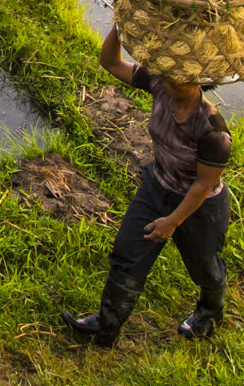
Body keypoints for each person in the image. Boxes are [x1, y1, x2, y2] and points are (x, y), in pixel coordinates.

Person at [64, 26, 232, 346]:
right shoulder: (159, 84)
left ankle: (209, 313)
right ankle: (106, 327)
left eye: (178, 75)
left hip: (199, 206)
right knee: (127, 254)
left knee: (204, 266)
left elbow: (201, 185)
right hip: (157, 186)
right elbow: (110, 63)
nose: (169, 79)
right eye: (167, 71)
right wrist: (121, 26)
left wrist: (173, 221)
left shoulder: (212, 130)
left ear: (199, 79)